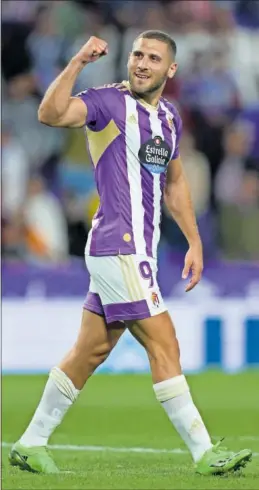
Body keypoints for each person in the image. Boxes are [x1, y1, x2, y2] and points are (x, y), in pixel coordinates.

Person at [9, 31, 252, 476]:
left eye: (153, 58)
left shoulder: (169, 119)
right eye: (138, 54)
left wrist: (194, 240)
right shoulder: (107, 103)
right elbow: (50, 113)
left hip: (140, 247)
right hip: (117, 245)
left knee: (90, 351)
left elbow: (174, 182)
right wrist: (79, 60)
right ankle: (203, 452)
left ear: (170, 70)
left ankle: (30, 443)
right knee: (165, 342)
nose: (142, 63)